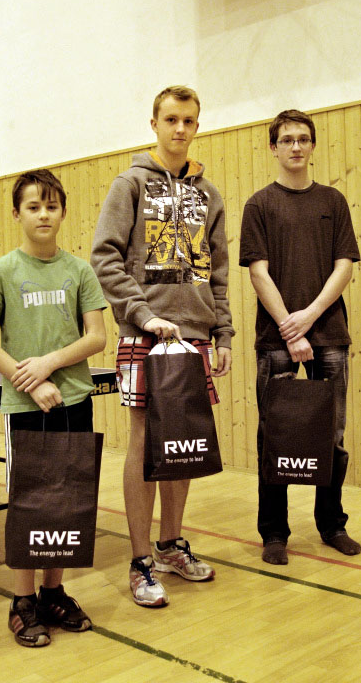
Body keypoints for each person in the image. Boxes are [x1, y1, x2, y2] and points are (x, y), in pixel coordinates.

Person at [90, 85, 234, 607]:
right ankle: (139, 561)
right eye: (171, 119)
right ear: (154, 124)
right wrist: (143, 314)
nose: (180, 129)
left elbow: (218, 271)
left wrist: (222, 332)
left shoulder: (209, 195)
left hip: (195, 338)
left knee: (183, 444)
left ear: (197, 125)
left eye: (188, 120)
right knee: (145, 441)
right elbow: (104, 258)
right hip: (143, 334)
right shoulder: (130, 184)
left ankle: (171, 545)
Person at [0, 169, 107, 647]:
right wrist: (28, 380)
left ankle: (53, 593)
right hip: (24, 405)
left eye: (51, 206)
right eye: (33, 207)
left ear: (63, 211)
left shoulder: (80, 271)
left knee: (67, 500)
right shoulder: (2, 271)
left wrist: (49, 364)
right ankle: (22, 601)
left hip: (74, 400)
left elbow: (97, 336)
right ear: (17, 214)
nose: (43, 214)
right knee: (30, 501)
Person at [239, 109, 361, 566]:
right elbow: (258, 272)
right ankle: (274, 533)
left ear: (312, 145)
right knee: (275, 437)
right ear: (273, 148)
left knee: (332, 436)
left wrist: (308, 317)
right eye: (287, 139)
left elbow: (344, 267)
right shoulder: (259, 205)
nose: (295, 146)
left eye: (303, 139)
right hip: (276, 340)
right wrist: (290, 330)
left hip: (329, 335)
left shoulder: (333, 201)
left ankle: (332, 525)